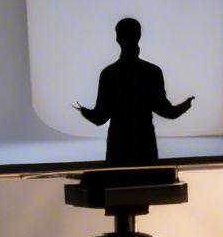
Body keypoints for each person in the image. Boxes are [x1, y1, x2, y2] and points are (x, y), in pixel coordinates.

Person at [74, 17, 194, 163]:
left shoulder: (109, 74)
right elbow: (167, 111)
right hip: (145, 147)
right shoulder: (152, 72)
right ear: (139, 36)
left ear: (117, 38)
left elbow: (100, 118)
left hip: (118, 148)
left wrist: (83, 111)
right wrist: (186, 105)